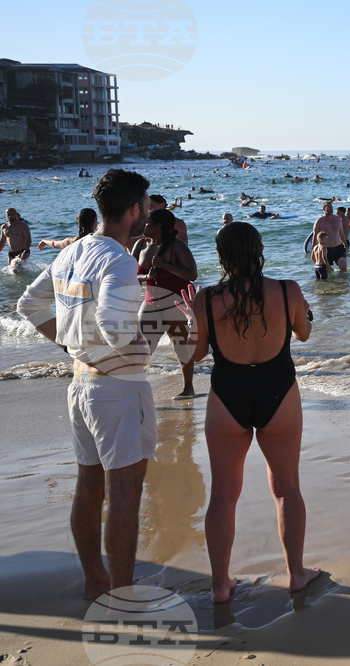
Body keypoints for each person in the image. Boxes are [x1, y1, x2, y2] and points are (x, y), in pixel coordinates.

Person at [16, 169, 155, 599]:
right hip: (117, 388)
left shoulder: (72, 252)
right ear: (132, 210)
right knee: (125, 495)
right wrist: (144, 348)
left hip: (80, 382)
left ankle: (97, 580)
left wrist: (69, 343)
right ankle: (123, 595)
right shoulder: (120, 260)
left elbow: (29, 303)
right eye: (146, 206)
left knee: (88, 486)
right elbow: (113, 324)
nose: (148, 213)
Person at [175, 222, 320, 603]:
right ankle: (296, 574)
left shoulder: (205, 298)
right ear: (260, 250)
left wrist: (190, 320)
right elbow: (304, 334)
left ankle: (220, 585)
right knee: (287, 489)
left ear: (222, 257)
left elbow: (196, 355)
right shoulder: (287, 289)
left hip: (228, 396)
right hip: (279, 393)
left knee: (223, 494)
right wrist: (306, 313)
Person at [132, 208, 198, 399]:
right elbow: (130, 275)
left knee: (181, 346)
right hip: (150, 302)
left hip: (176, 302)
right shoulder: (141, 244)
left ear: (158, 225)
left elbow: (192, 274)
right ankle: (135, 387)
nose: (144, 225)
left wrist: (164, 265)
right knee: (142, 348)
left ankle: (188, 388)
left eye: (148, 222)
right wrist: (147, 276)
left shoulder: (177, 245)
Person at [311, 202, 347, 272]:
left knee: (344, 269)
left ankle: (343, 279)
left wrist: (345, 245)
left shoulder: (338, 219)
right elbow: (315, 236)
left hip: (338, 248)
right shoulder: (319, 221)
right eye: (329, 207)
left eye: (332, 207)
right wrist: (314, 250)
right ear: (324, 209)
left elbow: (341, 234)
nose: (331, 209)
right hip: (325, 249)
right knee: (328, 272)